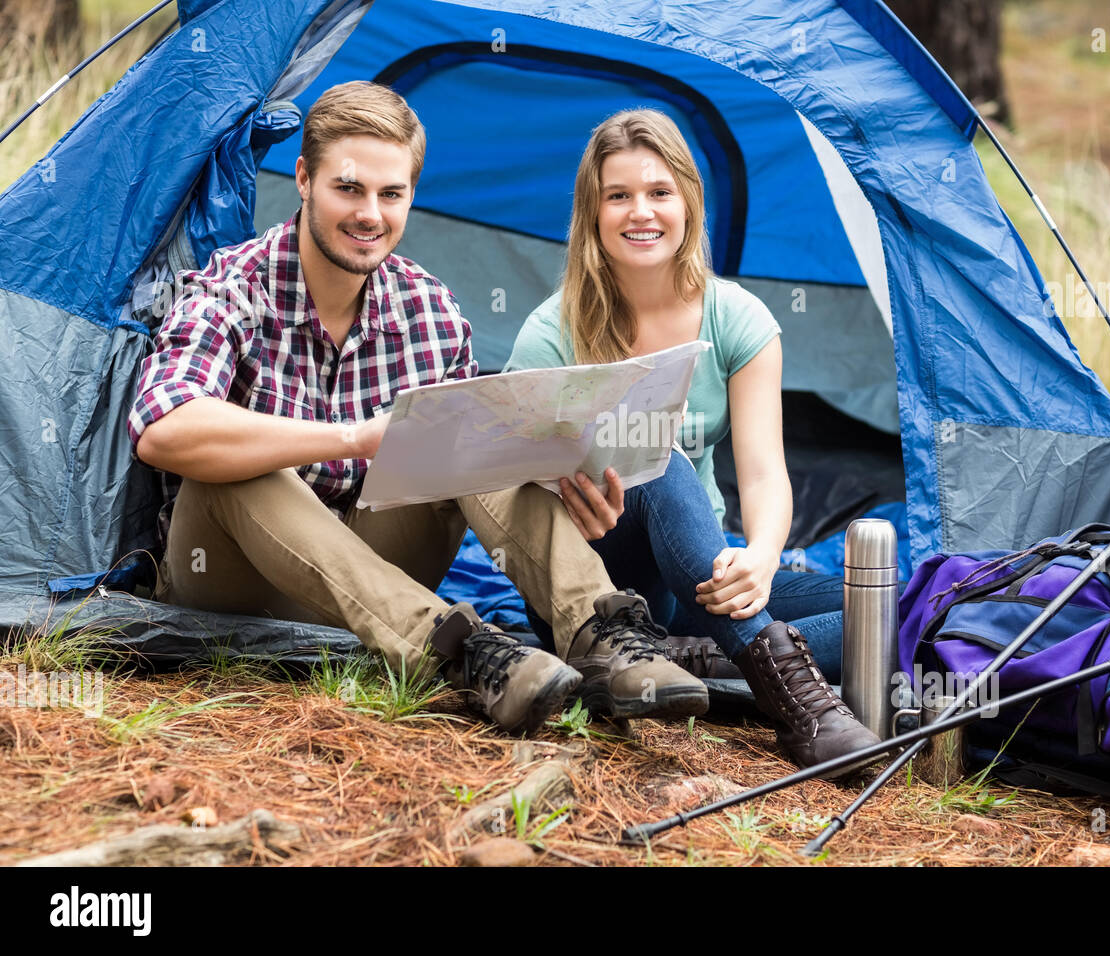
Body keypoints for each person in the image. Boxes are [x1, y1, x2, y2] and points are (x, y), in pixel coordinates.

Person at [128, 82, 711, 734]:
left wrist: (563, 484)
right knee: (241, 466)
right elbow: (163, 429)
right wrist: (352, 438)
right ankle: (462, 653)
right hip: (235, 581)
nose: (369, 213)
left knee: (477, 430)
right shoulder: (232, 287)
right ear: (302, 178)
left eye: (391, 193)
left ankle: (599, 634)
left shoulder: (430, 311)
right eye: (348, 189)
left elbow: (488, 474)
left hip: (380, 567)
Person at [506, 109, 880, 775]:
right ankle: (804, 711)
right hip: (595, 585)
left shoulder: (736, 319)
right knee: (653, 451)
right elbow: (506, 479)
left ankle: (696, 659)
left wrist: (762, 557)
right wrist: (563, 493)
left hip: (693, 580)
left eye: (658, 193)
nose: (640, 212)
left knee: (888, 607)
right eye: (618, 196)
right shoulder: (549, 334)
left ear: (688, 202)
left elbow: (763, 473)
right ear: (593, 213)